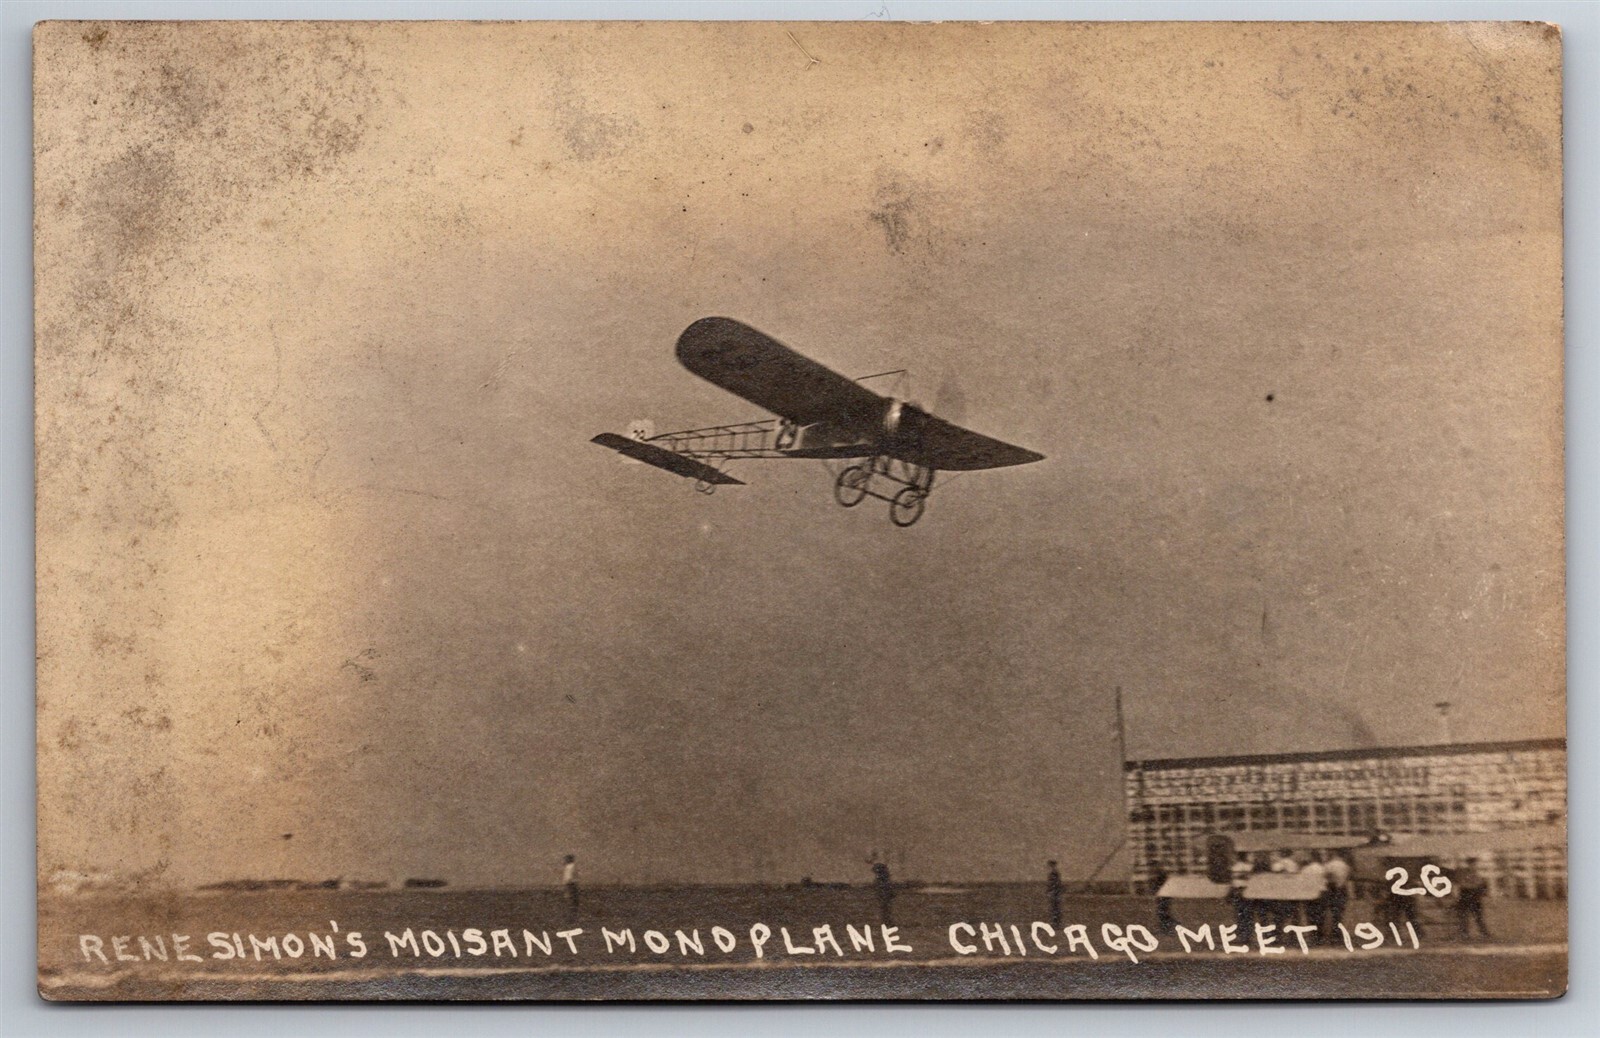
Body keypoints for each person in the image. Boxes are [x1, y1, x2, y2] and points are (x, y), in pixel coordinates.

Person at [1453, 858, 1492, 940]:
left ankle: (1483, 932)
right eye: (1471, 864)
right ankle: (1464, 933)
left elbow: (1480, 885)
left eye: (1474, 864)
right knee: (1464, 915)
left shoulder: (1476, 874)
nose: (1473, 866)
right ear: (1468, 864)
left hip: (1474, 896)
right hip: (1466, 894)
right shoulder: (1463, 873)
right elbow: (1461, 883)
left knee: (1478, 915)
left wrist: (1481, 891)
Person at [1323, 851, 1352, 940]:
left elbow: (1325, 876)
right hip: (1342, 889)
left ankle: (1330, 933)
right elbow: (1347, 877)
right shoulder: (1345, 866)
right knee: (1339, 914)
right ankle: (1336, 933)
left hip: (1331, 889)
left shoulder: (1328, 865)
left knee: (1328, 912)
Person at [1300, 851, 1329, 939]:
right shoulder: (1322, 868)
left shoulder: (1305, 869)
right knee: (1320, 915)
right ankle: (1319, 933)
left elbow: (1302, 882)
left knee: (1310, 915)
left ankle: (1312, 934)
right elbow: (1326, 881)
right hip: (1320, 893)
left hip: (1308, 893)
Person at [1228, 852, 1254, 931]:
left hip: (1238, 889)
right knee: (1247, 912)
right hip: (1245, 889)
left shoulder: (1235, 866)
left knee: (1240, 911)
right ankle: (1246, 929)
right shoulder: (1248, 866)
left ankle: (1242, 929)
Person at [1149, 863, 1177, 934]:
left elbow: (1158, 885)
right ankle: (1168, 926)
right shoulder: (1162, 875)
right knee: (1163, 912)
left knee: (1162, 912)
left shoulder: (1161, 876)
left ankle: (1167, 928)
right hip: (1164, 896)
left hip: (1163, 896)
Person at [872, 861, 896, 926]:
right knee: (886, 909)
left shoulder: (881, 878)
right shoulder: (885, 878)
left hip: (883, 894)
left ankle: (886, 922)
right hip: (884, 894)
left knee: (885, 909)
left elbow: (880, 886)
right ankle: (887, 921)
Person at [1046, 860, 1063, 930]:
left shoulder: (1054, 873)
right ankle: (1056, 923)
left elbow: (1054, 884)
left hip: (1055, 893)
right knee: (1055, 908)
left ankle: (1056, 924)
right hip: (1056, 892)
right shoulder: (1055, 873)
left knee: (1055, 908)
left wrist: (1050, 890)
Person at [562, 854, 579, 918]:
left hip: (570, 884)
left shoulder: (570, 866)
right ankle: (571, 913)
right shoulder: (571, 866)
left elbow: (569, 877)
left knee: (570, 899)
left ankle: (571, 914)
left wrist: (567, 884)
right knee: (571, 899)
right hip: (571, 884)